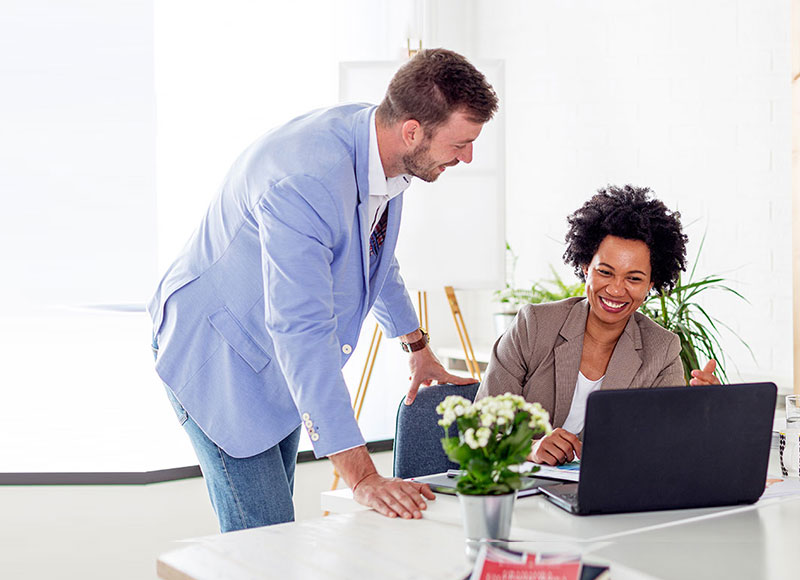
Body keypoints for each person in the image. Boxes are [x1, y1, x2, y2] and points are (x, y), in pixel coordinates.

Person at [148, 49, 498, 531]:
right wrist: (362, 479)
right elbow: (302, 332)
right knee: (265, 540)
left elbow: (373, 254)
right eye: (461, 143)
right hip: (219, 355)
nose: (468, 157)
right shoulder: (305, 182)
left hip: (275, 358)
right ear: (413, 130)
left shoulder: (382, 143)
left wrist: (416, 346)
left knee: (276, 531)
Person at [475, 185, 720, 466]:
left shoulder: (661, 350)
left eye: (634, 278)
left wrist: (706, 415)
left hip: (611, 495)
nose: (616, 290)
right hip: (520, 494)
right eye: (605, 272)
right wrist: (529, 448)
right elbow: (481, 425)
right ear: (585, 267)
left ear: (651, 284)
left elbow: (667, 448)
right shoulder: (534, 326)